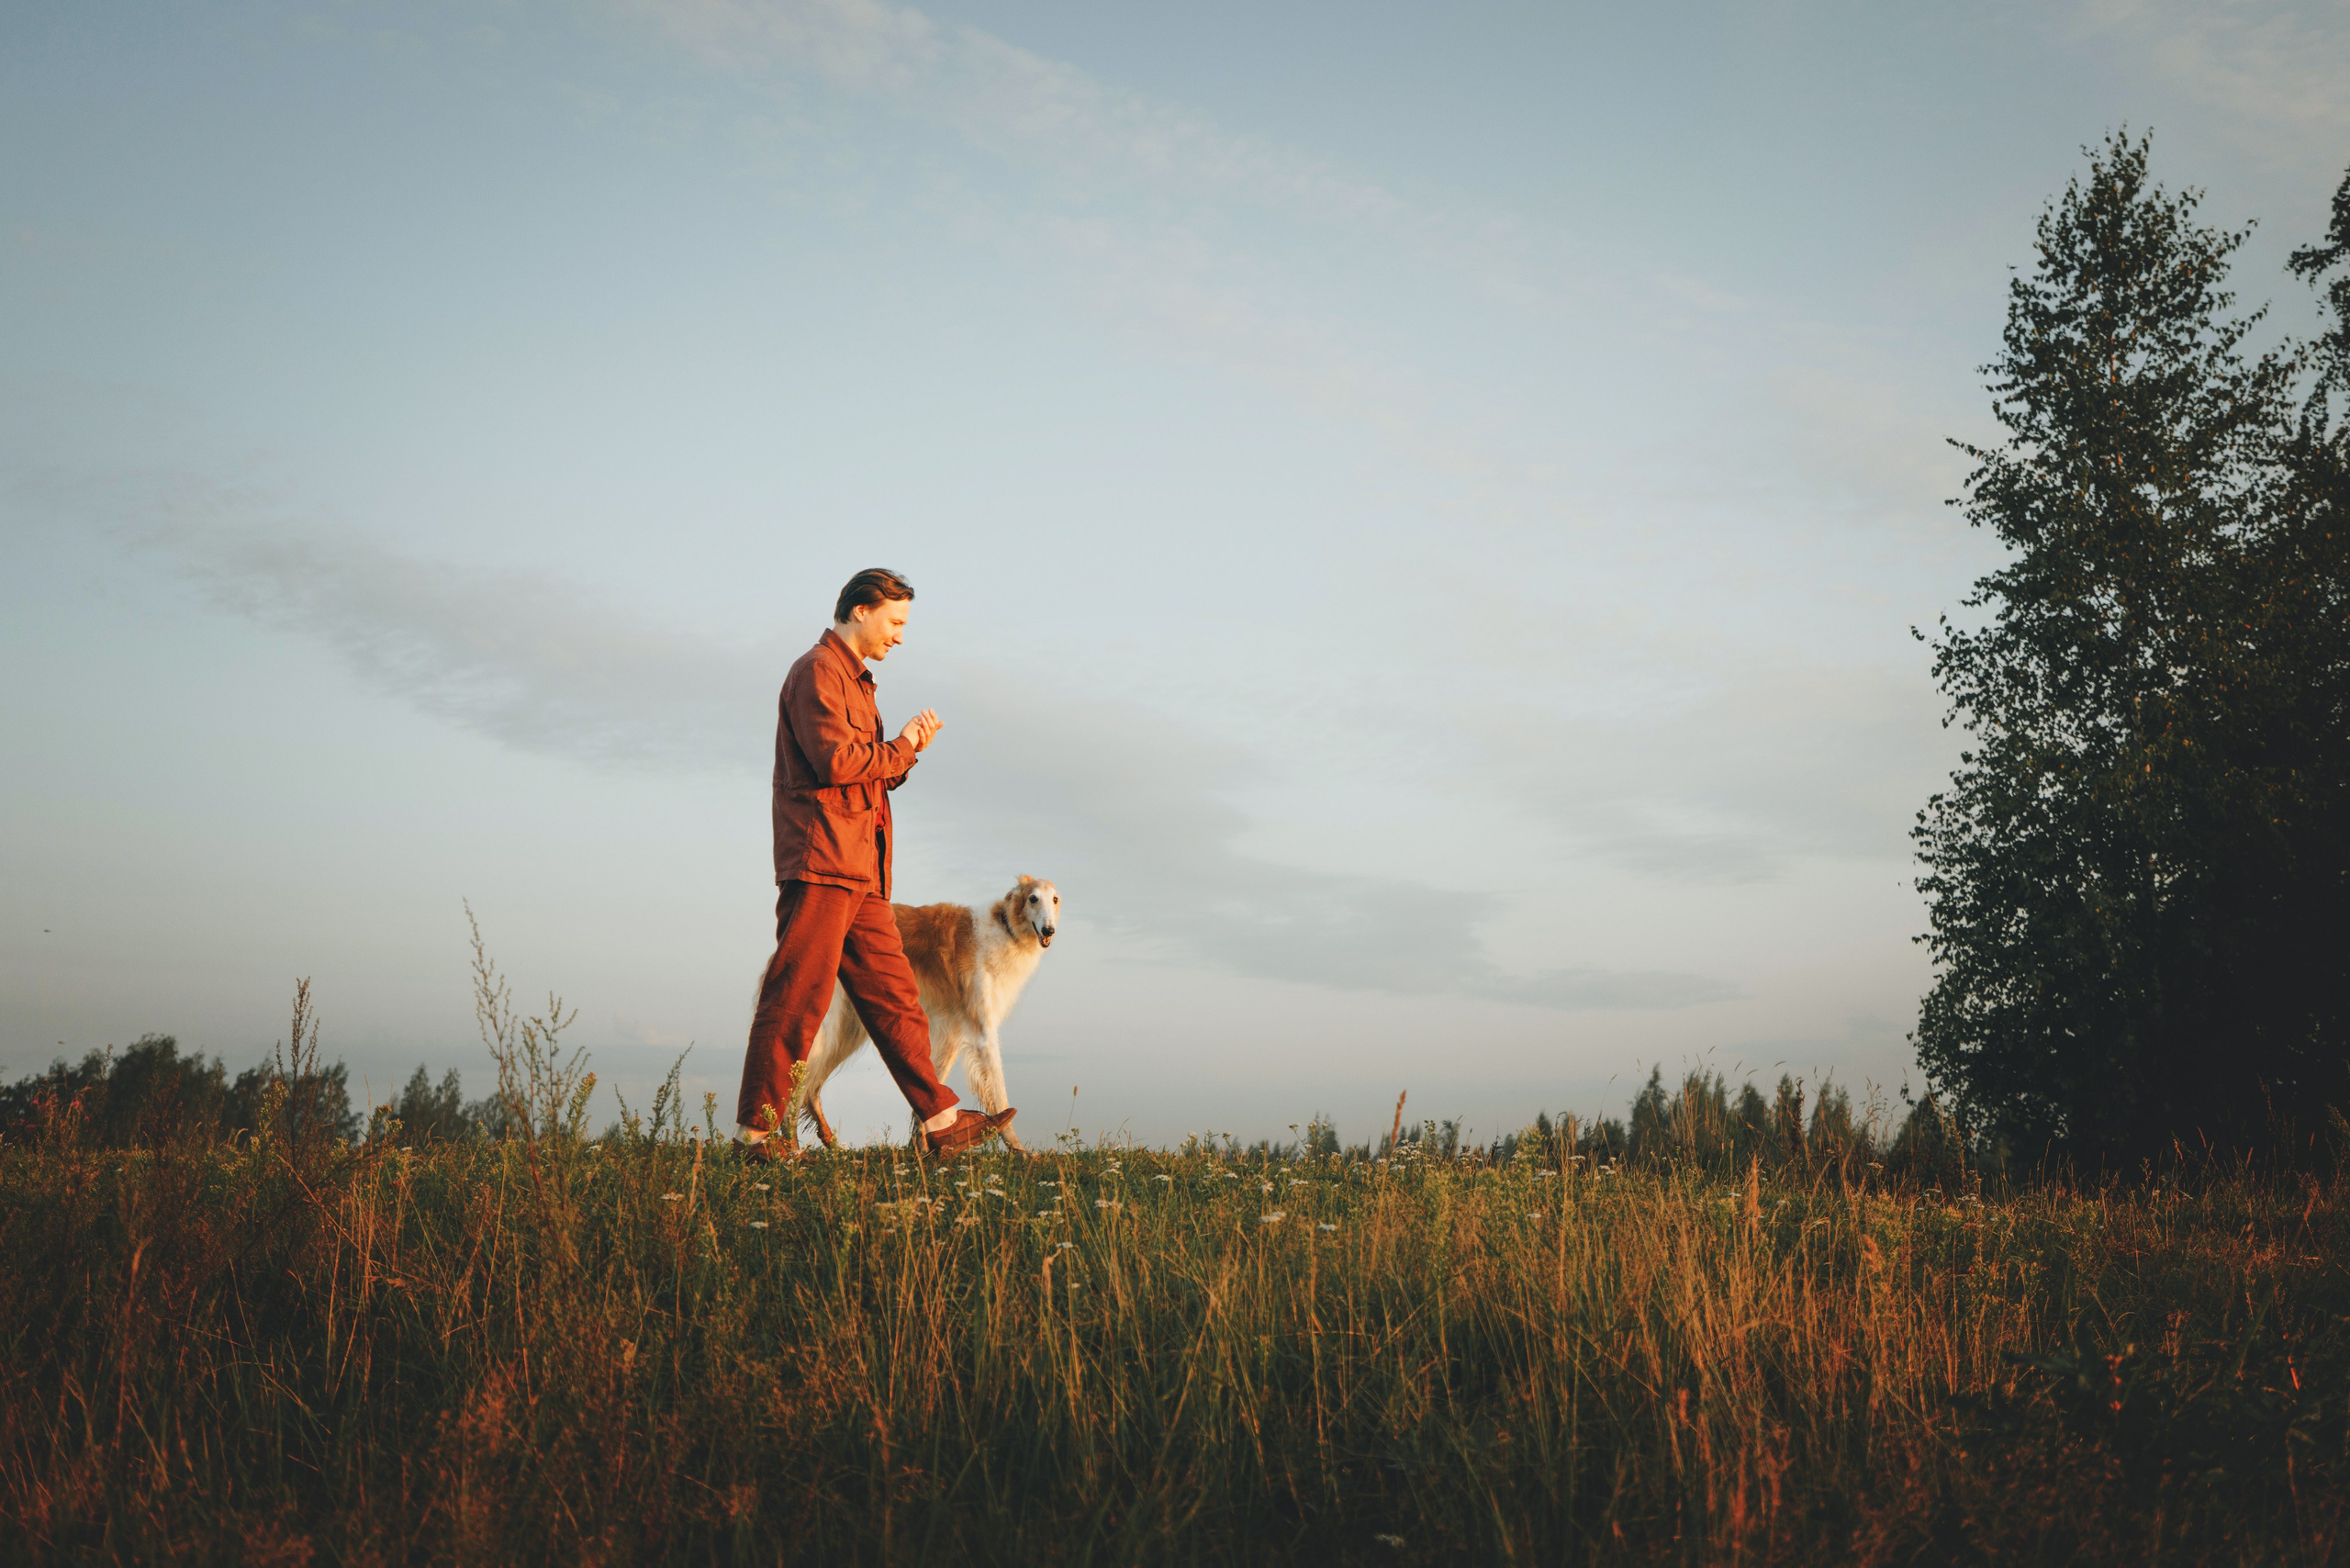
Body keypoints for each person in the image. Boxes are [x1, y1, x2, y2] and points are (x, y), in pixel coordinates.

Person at [733, 568, 1015, 1159]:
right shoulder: (818, 672)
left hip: (860, 871)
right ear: (860, 611)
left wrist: (905, 753)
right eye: (895, 622)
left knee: (894, 997)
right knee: (797, 996)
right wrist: (903, 748)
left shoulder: (856, 682)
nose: (901, 637)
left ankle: (941, 1121)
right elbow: (838, 762)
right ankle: (756, 1137)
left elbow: (862, 770)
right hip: (823, 864)